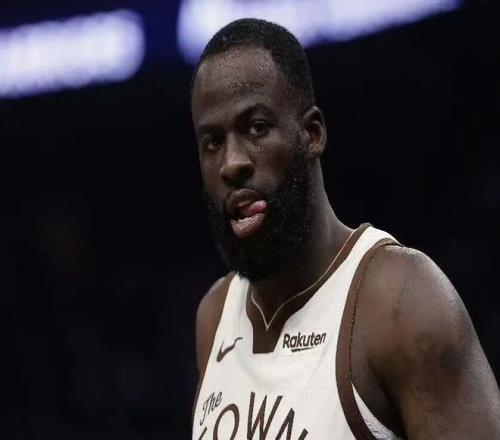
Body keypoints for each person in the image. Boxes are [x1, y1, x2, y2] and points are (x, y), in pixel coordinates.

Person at [190, 18, 500, 439]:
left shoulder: (401, 305)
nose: (232, 163)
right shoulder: (214, 317)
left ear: (311, 134)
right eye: (212, 142)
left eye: (257, 128)